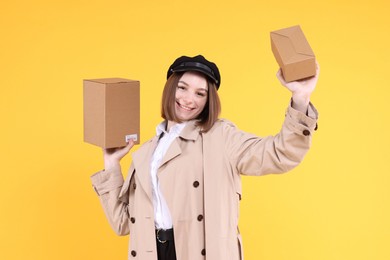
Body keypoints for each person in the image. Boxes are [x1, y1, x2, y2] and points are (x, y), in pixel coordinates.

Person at [90, 55, 319, 260]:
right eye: (182, 88)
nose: (189, 99)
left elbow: (280, 153)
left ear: (209, 101)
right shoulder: (145, 153)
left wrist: (301, 98)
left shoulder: (221, 136)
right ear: (170, 88)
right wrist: (111, 164)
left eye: (200, 93)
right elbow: (123, 223)